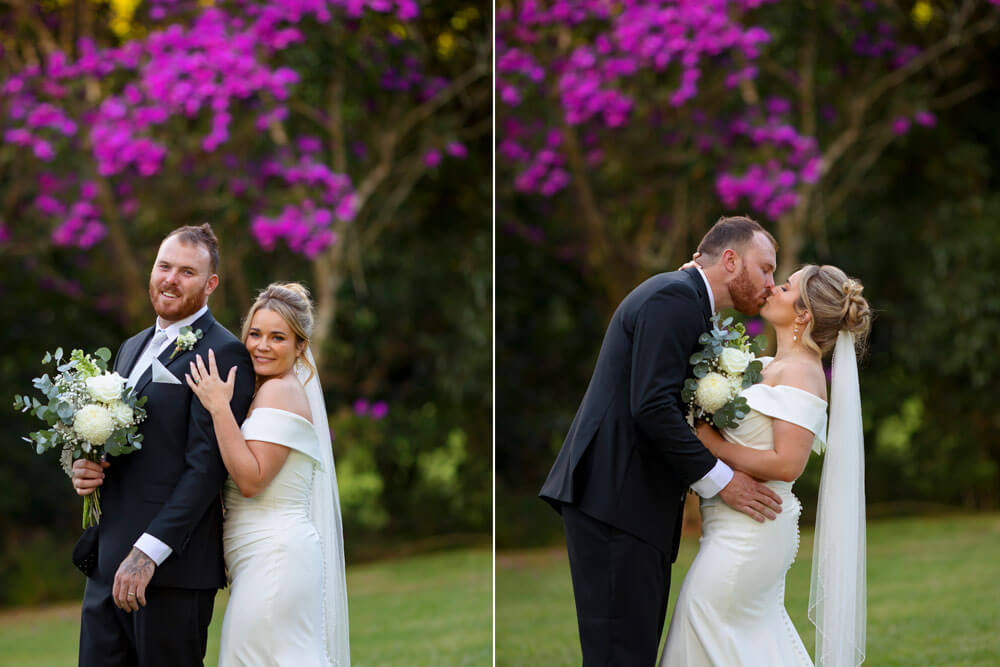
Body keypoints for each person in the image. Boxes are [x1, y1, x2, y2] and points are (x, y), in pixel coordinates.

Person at [540, 216, 786, 665]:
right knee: (621, 656)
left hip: (629, 504)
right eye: (766, 268)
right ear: (730, 260)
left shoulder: (687, 301)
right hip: (614, 500)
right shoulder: (674, 297)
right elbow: (651, 406)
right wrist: (722, 481)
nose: (771, 282)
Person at [659, 264, 872, 667]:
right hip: (732, 525)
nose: (774, 287)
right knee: (742, 641)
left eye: (787, 286)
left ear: (804, 313)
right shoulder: (770, 363)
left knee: (703, 623)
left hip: (750, 532)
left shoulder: (802, 373)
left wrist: (709, 445)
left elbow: (788, 463)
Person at [71, 224, 256, 666]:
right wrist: (88, 467)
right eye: (164, 266)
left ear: (211, 284)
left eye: (187, 272)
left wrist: (147, 553)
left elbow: (205, 470)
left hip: (171, 572)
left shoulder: (224, 353)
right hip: (107, 564)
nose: (170, 279)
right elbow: (131, 448)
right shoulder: (131, 347)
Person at [184, 282, 350, 667]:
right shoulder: (269, 388)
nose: (261, 345)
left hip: (275, 554)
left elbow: (251, 480)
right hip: (261, 554)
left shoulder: (282, 392)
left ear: (300, 346)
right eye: (255, 334)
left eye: (278, 338)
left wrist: (218, 407)